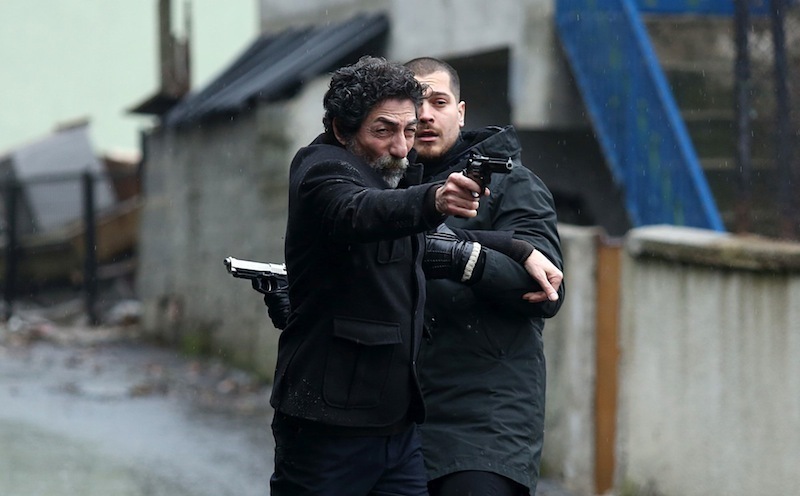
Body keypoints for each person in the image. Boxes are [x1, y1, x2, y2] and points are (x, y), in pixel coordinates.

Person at [270, 55, 492, 496]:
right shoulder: (321, 168)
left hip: (396, 429)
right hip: (326, 429)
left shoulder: (387, 177)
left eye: (409, 131)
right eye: (384, 131)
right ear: (342, 129)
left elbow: (422, 241)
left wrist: (519, 250)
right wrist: (434, 199)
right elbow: (360, 211)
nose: (402, 147)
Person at [404, 57, 564, 496]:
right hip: (393, 422)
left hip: (484, 425)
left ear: (461, 112)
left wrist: (464, 259)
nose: (425, 114)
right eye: (415, 103)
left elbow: (547, 289)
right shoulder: (385, 187)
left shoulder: (514, 185)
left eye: (439, 102)